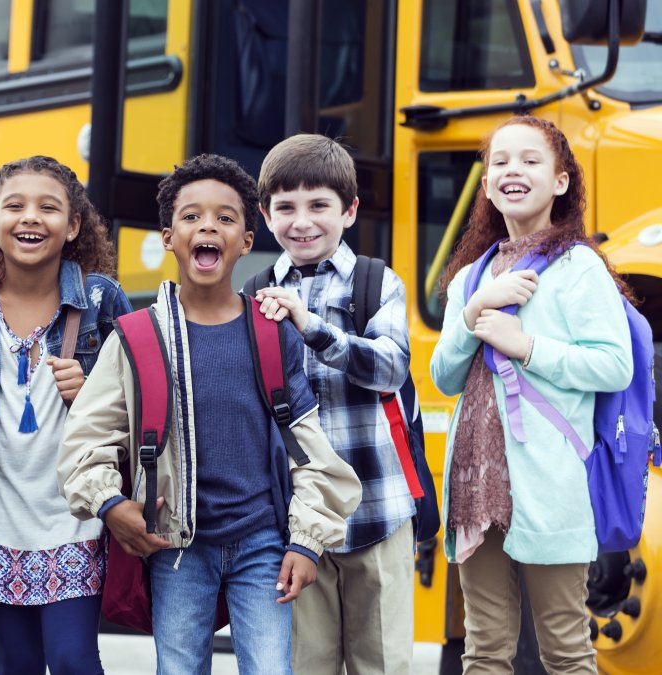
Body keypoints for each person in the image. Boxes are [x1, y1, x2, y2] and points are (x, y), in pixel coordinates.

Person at [59, 153, 361, 675]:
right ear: (168, 237)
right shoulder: (135, 337)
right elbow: (86, 439)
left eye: (225, 218)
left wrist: (308, 542)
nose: (208, 226)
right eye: (191, 216)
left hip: (263, 544)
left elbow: (310, 447)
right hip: (176, 546)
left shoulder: (271, 333)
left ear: (246, 241)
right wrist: (110, 504)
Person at [430, 115, 633, 674]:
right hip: (475, 486)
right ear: (487, 182)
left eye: (529, 160)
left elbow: (614, 365)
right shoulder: (472, 276)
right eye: (499, 162)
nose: (512, 170)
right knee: (485, 652)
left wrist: (525, 345)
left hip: (549, 487)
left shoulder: (579, 266)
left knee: (565, 650)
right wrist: (473, 312)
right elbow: (445, 378)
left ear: (562, 181)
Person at [0, 155, 131, 674]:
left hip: (74, 514)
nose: (31, 217)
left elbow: (142, 399)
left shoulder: (100, 299)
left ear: (73, 226)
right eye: (15, 206)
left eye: (48, 208)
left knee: (74, 660)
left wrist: (93, 391)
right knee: (18, 664)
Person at [249, 133, 417, 674]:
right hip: (296, 523)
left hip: (378, 509)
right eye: (286, 207)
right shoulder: (253, 292)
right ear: (265, 214)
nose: (302, 222)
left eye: (319, 205)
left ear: (349, 210)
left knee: (383, 663)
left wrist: (312, 327)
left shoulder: (375, 281)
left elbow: (392, 368)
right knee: (306, 663)